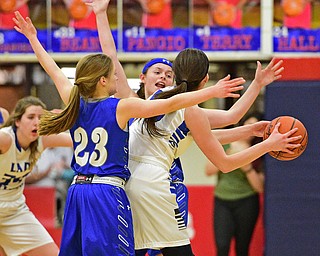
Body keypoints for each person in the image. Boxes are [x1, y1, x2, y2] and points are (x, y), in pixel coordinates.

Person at [13, 11, 245, 256]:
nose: (117, 77)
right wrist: (210, 92)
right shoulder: (120, 107)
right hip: (106, 190)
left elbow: (54, 70)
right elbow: (167, 105)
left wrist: (33, 39)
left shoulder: (74, 100)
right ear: (102, 81)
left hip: (77, 191)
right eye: (113, 75)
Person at [90, 1, 293, 255]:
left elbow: (214, 126)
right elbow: (226, 159)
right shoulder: (184, 108)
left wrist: (249, 126)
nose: (162, 77)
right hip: (152, 183)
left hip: (128, 182)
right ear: (206, 79)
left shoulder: (157, 99)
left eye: (167, 73)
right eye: (157, 71)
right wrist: (268, 144)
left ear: (176, 76)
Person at [0, 96, 73, 256]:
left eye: (41, 118)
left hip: (15, 211)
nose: (37, 122)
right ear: (17, 121)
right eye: (31, 117)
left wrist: (67, 119)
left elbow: (79, 139)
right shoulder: (5, 139)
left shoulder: (43, 140)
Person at [205, 111, 265, 256]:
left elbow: (259, 187)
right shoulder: (226, 144)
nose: (252, 128)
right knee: (222, 246)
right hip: (222, 200)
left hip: (246, 201)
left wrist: (246, 166)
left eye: (256, 126)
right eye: (249, 124)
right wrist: (228, 156)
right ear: (243, 125)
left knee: (242, 248)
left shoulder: (261, 151)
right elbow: (208, 170)